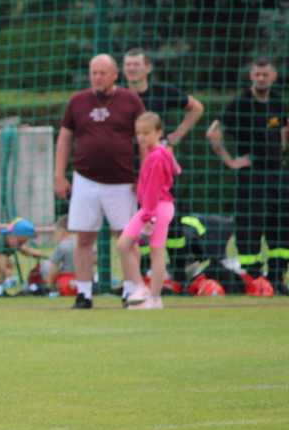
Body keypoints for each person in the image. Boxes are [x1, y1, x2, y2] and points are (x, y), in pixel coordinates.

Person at [54, 54, 145, 309]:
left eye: (103, 72)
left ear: (115, 74)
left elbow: (144, 139)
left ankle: (132, 290)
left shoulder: (130, 100)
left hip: (123, 182)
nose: (98, 77)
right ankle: (84, 293)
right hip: (85, 179)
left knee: (126, 238)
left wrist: (143, 177)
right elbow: (64, 139)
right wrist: (59, 176)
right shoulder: (78, 101)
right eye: (94, 72)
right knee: (83, 237)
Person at [205, 57, 289, 294]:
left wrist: (280, 150)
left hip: (277, 174)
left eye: (265, 74)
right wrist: (231, 161)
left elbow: (284, 127)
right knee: (250, 225)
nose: (261, 79)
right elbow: (213, 132)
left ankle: (276, 276)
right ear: (251, 76)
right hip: (251, 177)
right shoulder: (240, 103)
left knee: (282, 225)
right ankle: (253, 277)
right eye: (257, 75)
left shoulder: (276, 101)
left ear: (273, 76)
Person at [116, 113, 182, 310]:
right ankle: (146, 292)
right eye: (138, 133)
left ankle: (151, 295)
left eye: (146, 133)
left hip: (156, 208)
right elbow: (176, 170)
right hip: (158, 207)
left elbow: (153, 188)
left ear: (159, 132)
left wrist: (148, 217)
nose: (141, 137)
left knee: (150, 250)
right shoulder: (162, 153)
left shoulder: (155, 156)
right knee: (130, 246)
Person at [122, 48, 204, 146]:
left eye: (136, 64)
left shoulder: (163, 91)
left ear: (148, 68)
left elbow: (197, 108)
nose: (131, 68)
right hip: (126, 155)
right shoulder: (117, 94)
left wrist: (177, 135)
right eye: (128, 65)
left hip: (156, 154)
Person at [45, 215, 76, 288]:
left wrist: (48, 287)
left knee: (46, 265)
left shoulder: (61, 246)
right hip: (85, 279)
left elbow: (53, 270)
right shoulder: (85, 245)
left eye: (56, 232)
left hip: (67, 282)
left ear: (62, 232)